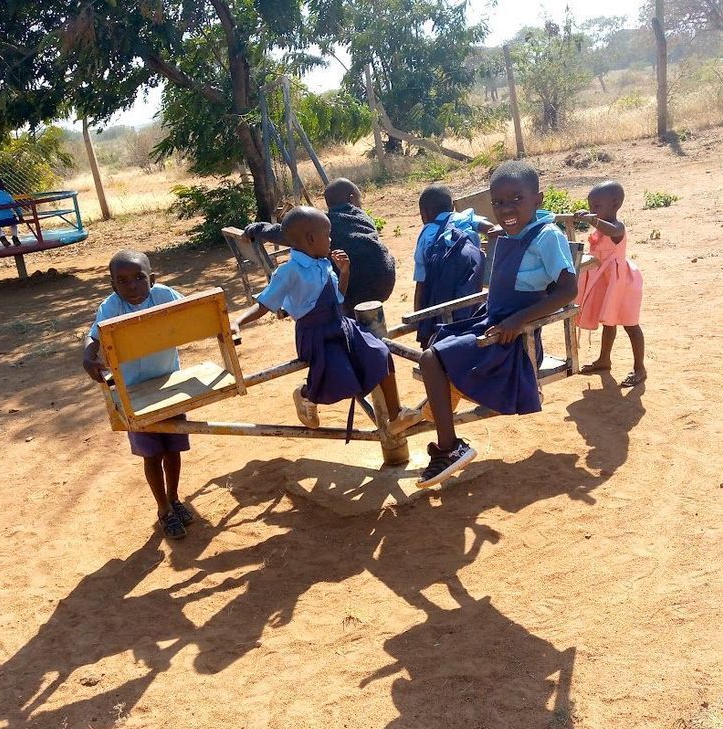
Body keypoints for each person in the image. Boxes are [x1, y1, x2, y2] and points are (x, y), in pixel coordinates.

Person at [414, 161, 577, 488]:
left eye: (516, 199)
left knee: (432, 359)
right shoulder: (509, 235)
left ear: (538, 200)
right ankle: (439, 427)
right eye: (499, 202)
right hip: (492, 323)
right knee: (435, 348)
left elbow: (569, 290)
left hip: (514, 343)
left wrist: (518, 321)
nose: (506, 209)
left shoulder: (547, 236)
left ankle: (450, 448)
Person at [233, 206, 414, 434]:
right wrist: (237, 322)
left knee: (380, 353)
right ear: (310, 239)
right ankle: (306, 395)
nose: (331, 239)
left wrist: (345, 272)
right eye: (327, 234)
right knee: (339, 378)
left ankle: (396, 415)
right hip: (315, 334)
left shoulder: (325, 263)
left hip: (341, 325)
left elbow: (338, 296)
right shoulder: (289, 272)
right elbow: (265, 304)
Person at [82, 250, 196, 540]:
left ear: (152, 279)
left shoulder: (165, 294)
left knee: (173, 448)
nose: (132, 286)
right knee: (152, 453)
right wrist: (88, 354)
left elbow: (194, 314)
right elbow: (94, 336)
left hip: (168, 384)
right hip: (133, 392)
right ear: (113, 285)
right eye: (122, 281)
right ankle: (163, 510)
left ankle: (174, 498)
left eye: (138, 278)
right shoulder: (111, 307)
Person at [243, 178, 397, 316]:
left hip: (352, 291)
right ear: (351, 199)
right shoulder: (363, 218)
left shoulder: (322, 227)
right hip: (382, 282)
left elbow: (282, 233)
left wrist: (258, 228)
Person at [574, 181, 646, 388]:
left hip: (623, 283)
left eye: (597, 206)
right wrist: (592, 218)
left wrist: (593, 220)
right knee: (609, 321)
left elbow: (611, 230)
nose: (592, 211)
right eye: (590, 206)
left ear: (615, 205)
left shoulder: (617, 227)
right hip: (607, 282)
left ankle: (640, 368)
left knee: (631, 325)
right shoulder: (600, 226)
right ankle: (604, 359)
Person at [412, 185, 492, 349]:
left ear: (424, 213)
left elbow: (421, 283)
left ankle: (437, 346)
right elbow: (490, 228)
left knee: (438, 314)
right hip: (470, 288)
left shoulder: (426, 233)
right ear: (453, 207)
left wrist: (418, 319)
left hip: (442, 293)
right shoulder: (466, 217)